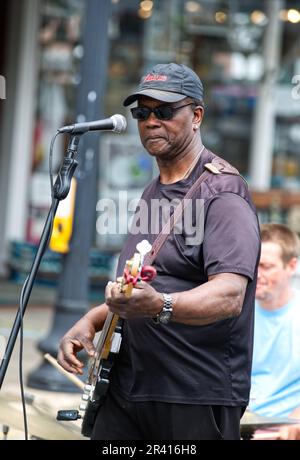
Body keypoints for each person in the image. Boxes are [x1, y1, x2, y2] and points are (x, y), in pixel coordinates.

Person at [57, 63, 261, 440]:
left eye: (164, 111)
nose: (151, 121)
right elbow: (151, 280)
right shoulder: (155, 189)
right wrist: (95, 317)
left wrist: (159, 306)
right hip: (129, 386)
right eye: (142, 112)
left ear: (196, 116)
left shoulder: (222, 193)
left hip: (192, 394)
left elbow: (230, 295)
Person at [249, 223, 300, 440]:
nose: (257, 274)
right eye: (253, 264)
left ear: (291, 266)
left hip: (286, 426)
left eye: (266, 266)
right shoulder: (236, 313)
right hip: (241, 424)